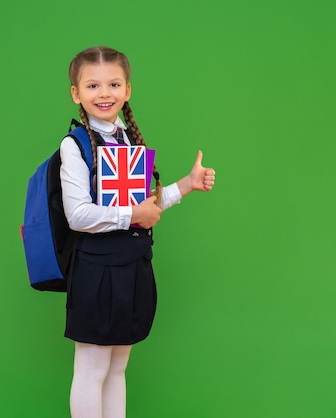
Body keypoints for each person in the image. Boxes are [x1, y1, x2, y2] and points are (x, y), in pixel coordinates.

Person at [60, 46, 216, 418]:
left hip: (132, 266)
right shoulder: (74, 146)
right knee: (92, 369)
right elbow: (78, 215)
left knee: (117, 368)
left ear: (127, 90)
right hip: (96, 271)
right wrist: (132, 215)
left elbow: (146, 210)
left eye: (113, 84)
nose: (104, 93)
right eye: (93, 85)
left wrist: (186, 184)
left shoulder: (129, 143)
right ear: (76, 93)